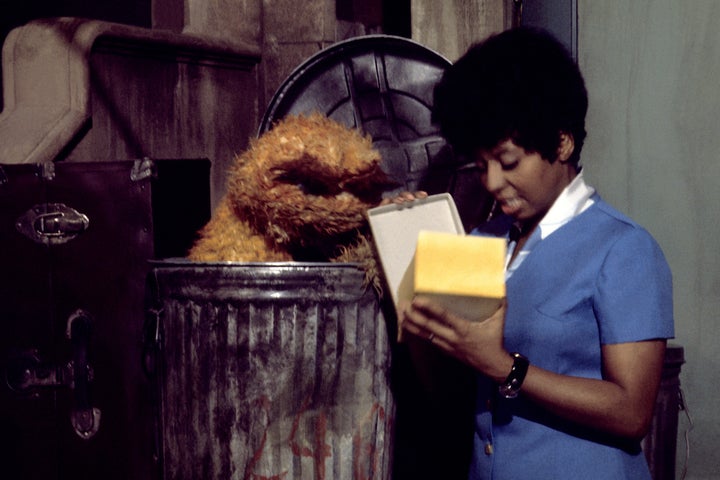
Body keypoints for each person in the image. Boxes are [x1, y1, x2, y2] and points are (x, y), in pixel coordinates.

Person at [395, 26, 674, 479]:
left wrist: (506, 368)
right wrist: (410, 259)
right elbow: (446, 394)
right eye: (481, 165)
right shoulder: (481, 240)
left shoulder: (625, 249)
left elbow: (632, 412)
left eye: (507, 163)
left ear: (561, 142)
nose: (490, 182)